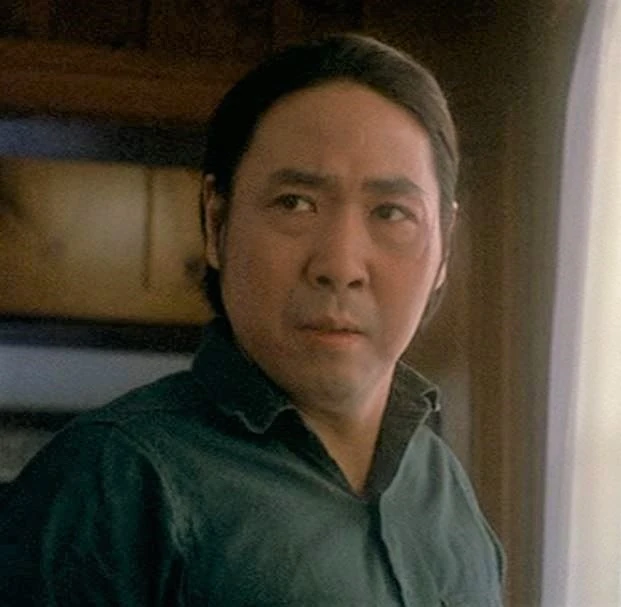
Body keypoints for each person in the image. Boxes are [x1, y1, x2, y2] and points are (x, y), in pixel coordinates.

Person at [0, 33, 505, 606]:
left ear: (445, 248)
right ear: (217, 224)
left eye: (392, 212)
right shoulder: (114, 482)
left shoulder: (441, 482)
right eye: (295, 203)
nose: (340, 266)